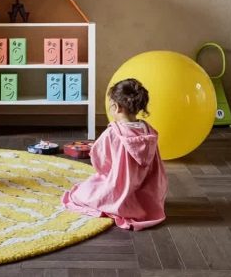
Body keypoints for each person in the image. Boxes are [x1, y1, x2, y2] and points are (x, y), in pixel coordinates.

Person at [62, 78, 167, 230]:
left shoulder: (113, 133)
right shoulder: (149, 131)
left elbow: (100, 162)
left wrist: (111, 173)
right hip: (147, 190)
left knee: (80, 193)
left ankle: (120, 202)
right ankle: (138, 202)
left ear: (116, 107)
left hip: (119, 189)